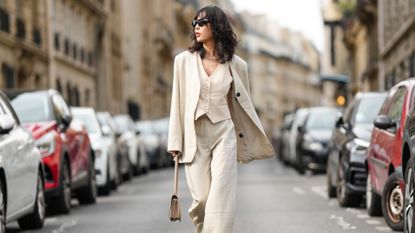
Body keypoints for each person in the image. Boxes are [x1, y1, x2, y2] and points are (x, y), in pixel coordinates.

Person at [167, 5, 274, 233]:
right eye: (195, 23)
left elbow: (241, 105)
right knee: (203, 199)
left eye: (202, 23)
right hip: (195, 136)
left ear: (217, 26)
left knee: (221, 197)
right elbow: (177, 103)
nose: (196, 27)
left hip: (224, 134)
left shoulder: (237, 65)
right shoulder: (183, 62)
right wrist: (174, 142)